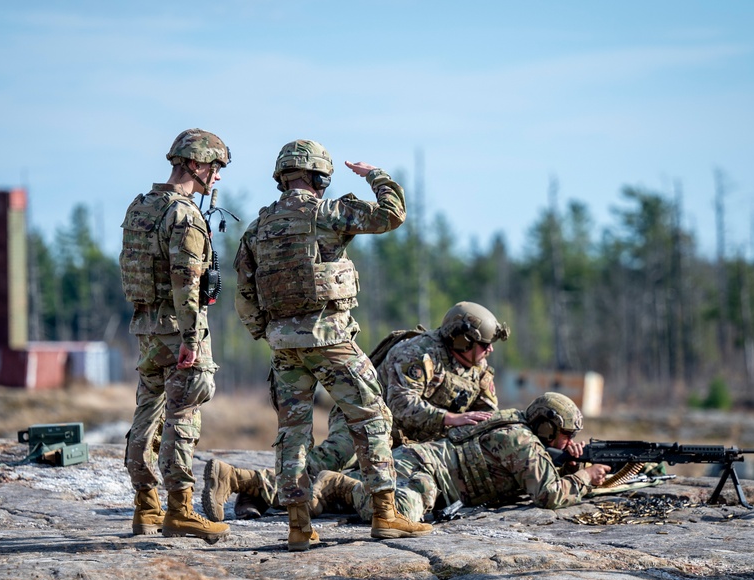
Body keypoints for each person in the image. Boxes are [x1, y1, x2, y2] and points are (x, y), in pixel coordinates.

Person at [233, 139, 431, 551]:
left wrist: (268, 333)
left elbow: (245, 294)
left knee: (292, 433)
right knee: (372, 416)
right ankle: (385, 514)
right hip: (331, 340)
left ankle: (298, 526)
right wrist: (375, 174)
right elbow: (393, 214)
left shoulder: (258, 228)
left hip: (284, 347)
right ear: (319, 176)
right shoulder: (327, 212)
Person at [204, 301, 509, 520]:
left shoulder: (479, 372)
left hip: (411, 446)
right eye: (484, 344)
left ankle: (260, 491)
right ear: (461, 339)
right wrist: (449, 419)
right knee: (332, 458)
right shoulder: (417, 354)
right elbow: (402, 405)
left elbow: (486, 418)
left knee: (357, 484)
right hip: (366, 423)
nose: (489, 351)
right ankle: (245, 483)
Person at [120, 128, 230, 543]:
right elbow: (187, 280)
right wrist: (191, 337)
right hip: (177, 330)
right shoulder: (183, 214)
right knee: (184, 414)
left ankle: (145, 506)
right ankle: (180, 509)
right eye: (215, 168)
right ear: (197, 164)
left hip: (147, 327)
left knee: (147, 413)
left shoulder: (140, 207)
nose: (216, 178)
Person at [309, 393, 611, 523]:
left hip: (415, 462)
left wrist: (570, 465)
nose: (570, 441)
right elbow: (547, 495)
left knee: (308, 495)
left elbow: (540, 477)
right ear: (546, 427)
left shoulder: (521, 430)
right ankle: (340, 485)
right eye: (566, 433)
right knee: (400, 512)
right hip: (422, 470)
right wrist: (587, 477)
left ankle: (263, 485)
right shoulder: (523, 441)